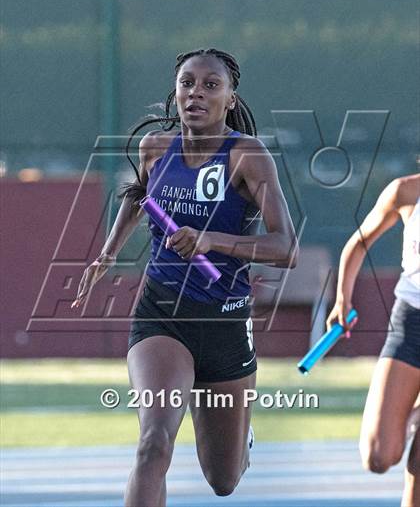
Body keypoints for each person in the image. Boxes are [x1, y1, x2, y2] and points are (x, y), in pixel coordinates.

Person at [72, 48, 298, 507]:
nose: (196, 92)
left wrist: (214, 241)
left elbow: (286, 248)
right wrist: (108, 254)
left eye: (210, 85)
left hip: (225, 323)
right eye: (187, 83)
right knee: (154, 442)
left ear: (231, 98)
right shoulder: (155, 148)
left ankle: (239, 438)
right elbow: (138, 197)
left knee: (223, 479)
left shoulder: (248, 157)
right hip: (161, 314)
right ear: (175, 93)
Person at [326, 173, 420, 507]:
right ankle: (413, 413)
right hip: (411, 320)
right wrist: (342, 299)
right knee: (378, 456)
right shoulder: (405, 191)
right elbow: (359, 242)